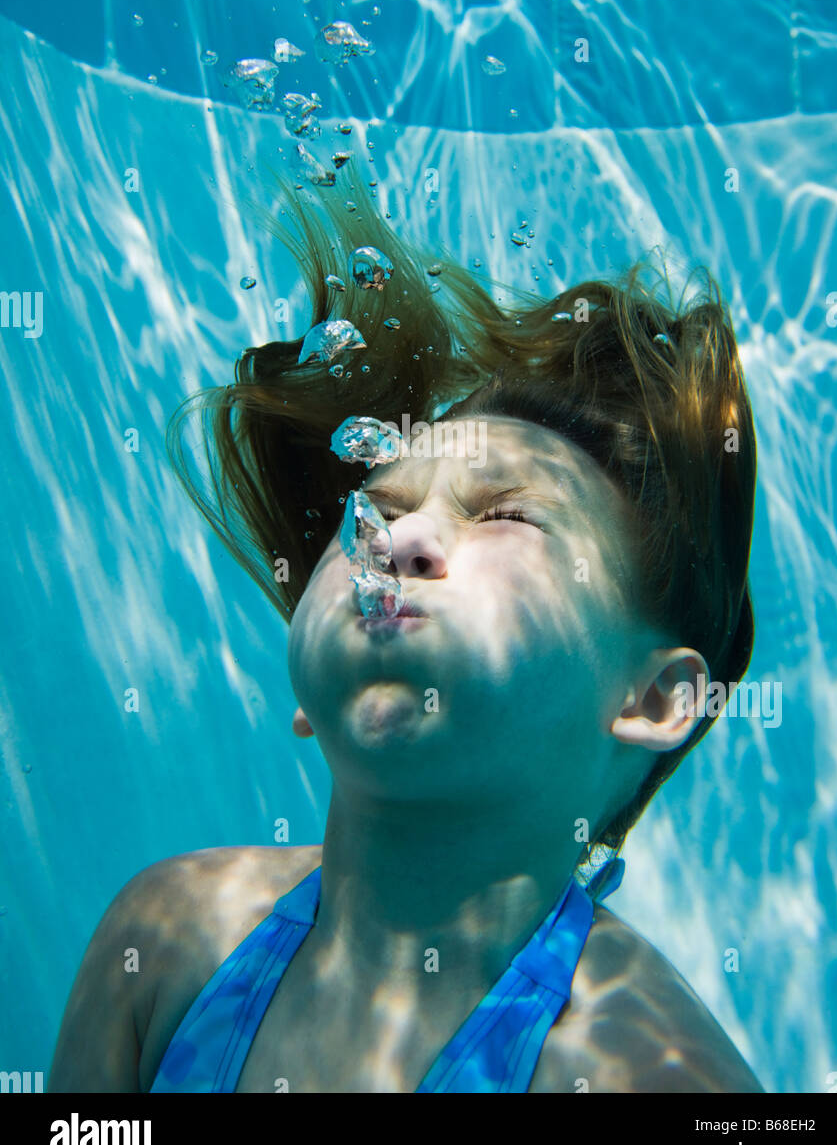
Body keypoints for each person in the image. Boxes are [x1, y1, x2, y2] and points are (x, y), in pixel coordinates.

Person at [48, 163, 763, 1092]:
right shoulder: (163, 943)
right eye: (376, 509)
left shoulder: (659, 1079)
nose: (403, 539)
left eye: (507, 515)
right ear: (310, 700)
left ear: (656, 697)